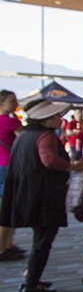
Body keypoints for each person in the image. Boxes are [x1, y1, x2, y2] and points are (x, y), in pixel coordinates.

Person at [1, 98, 83, 292]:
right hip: (44, 196)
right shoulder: (45, 136)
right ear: (46, 119)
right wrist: (72, 166)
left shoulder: (25, 136)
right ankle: (32, 284)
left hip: (29, 194)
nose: (59, 119)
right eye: (55, 116)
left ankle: (33, 278)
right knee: (43, 241)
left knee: (39, 239)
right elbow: (49, 160)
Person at [0, 89, 26, 261]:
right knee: (9, 207)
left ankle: (7, 244)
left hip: (1, 166)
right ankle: (3, 247)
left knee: (6, 205)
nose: (16, 103)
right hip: (10, 166)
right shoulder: (11, 122)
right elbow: (24, 140)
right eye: (12, 101)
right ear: (2, 103)